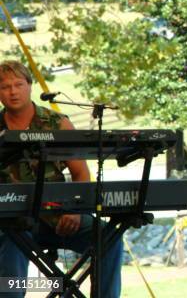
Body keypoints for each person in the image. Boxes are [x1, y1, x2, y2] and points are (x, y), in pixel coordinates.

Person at [0, 60, 123, 298]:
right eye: (5, 87)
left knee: (109, 237)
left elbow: (80, 172)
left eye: (18, 84)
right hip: (13, 220)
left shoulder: (57, 122)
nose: (13, 92)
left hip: (60, 215)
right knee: (11, 239)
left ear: (29, 85)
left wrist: (75, 209)